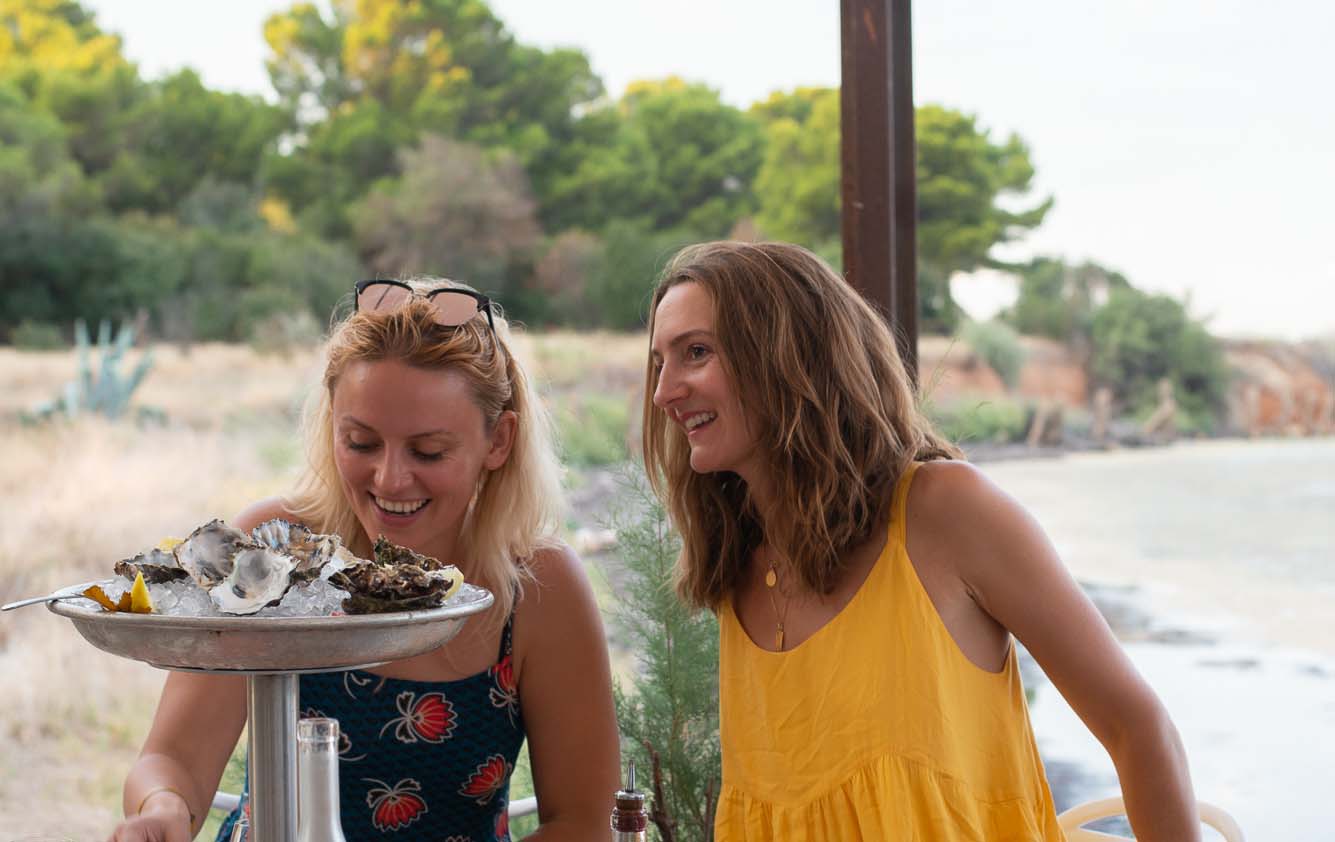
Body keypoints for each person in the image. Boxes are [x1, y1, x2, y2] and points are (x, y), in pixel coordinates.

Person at [643, 242, 1200, 841]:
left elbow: (1138, 730)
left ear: (788, 356)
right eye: (659, 363)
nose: (664, 392)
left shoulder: (945, 512)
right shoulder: (737, 568)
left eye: (696, 353)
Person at [109, 279, 620, 842]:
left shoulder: (539, 587)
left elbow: (583, 822)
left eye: (429, 451)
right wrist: (160, 810)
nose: (390, 478)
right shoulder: (269, 546)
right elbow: (174, 759)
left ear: (498, 440)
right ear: (332, 421)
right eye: (360, 442)